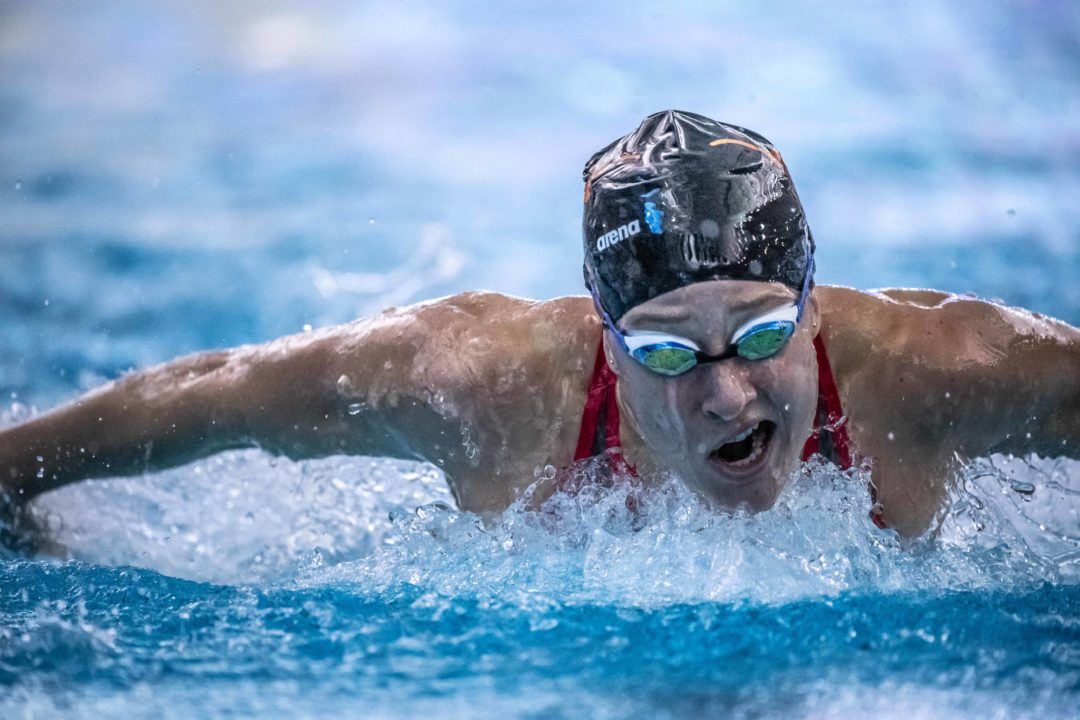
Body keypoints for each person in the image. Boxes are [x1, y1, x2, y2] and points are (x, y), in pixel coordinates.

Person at [1, 110, 1077, 549]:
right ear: (604, 339)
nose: (723, 395)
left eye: (756, 337)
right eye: (664, 349)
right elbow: (219, 391)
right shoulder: (481, 386)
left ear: (810, 307)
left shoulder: (934, 374)